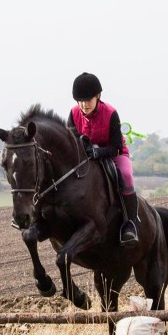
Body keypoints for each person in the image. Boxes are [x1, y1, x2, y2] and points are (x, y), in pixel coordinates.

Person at [68, 72, 139, 246]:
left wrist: (99, 152)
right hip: (86, 157)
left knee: (126, 175)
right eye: (80, 101)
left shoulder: (111, 113)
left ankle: (130, 224)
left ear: (98, 96)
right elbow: (71, 140)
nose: (84, 105)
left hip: (113, 153)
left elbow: (116, 147)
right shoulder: (73, 113)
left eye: (88, 100)